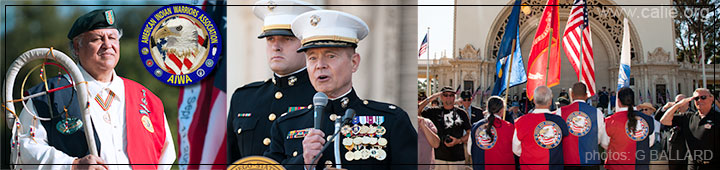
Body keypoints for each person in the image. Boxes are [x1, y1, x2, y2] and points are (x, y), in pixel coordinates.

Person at [11, 9, 175, 170]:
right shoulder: (46, 96)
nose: (108, 45)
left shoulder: (146, 99)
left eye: (112, 37)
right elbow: (23, 150)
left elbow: (166, 155)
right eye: (98, 39)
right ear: (77, 47)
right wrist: (72, 165)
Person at [263, 10, 417, 169]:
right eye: (312, 58)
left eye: (331, 56)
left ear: (354, 62)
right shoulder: (286, 125)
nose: (320, 65)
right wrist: (303, 162)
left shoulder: (392, 120)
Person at [227, 0, 319, 162]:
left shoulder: (321, 98)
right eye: (270, 39)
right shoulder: (244, 98)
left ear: (306, 44)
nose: (276, 46)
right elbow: (230, 161)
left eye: (286, 39)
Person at [660, 88, 719, 170]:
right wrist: (677, 105)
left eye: (703, 97)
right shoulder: (688, 117)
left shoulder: (718, 117)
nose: (699, 100)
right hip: (692, 165)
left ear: (711, 98)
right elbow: (664, 120)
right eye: (696, 98)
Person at [512, 86, 568, 170]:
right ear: (550, 102)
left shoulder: (521, 121)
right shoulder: (560, 121)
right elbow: (565, 145)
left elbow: (516, 149)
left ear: (534, 100)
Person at [556, 82, 609, 170]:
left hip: (568, 161)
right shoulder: (597, 112)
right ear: (586, 95)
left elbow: (558, 137)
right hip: (591, 161)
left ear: (572, 94)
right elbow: (600, 139)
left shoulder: (560, 112)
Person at [420, 86, 471, 170]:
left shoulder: (462, 113)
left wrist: (458, 141)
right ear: (441, 97)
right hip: (438, 158)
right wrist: (432, 98)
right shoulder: (434, 112)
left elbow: (469, 133)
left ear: (454, 97)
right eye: (445, 95)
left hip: (457, 158)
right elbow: (417, 110)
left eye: (451, 95)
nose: (448, 97)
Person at [604, 87, 655, 170]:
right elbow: (650, 142)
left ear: (618, 101)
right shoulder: (648, 119)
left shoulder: (610, 121)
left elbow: (605, 143)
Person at [470, 96, 515, 170]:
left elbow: (470, 150)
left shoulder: (475, 126)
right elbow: (516, 150)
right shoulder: (509, 127)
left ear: (487, 108)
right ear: (502, 110)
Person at [656, 94, 689, 170]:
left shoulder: (692, 115)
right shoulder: (671, 115)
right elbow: (658, 118)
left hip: (686, 153)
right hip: (671, 153)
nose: (679, 104)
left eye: (681, 102)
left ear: (687, 103)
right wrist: (665, 107)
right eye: (677, 102)